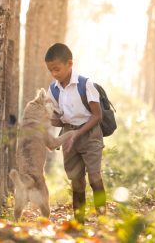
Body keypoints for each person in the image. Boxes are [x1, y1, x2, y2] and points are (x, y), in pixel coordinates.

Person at [45, 42, 106, 224]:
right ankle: (79, 222)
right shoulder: (53, 89)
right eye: (51, 71)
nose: (54, 74)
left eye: (57, 69)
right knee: (77, 182)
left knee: (95, 178)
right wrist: (45, 118)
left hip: (90, 134)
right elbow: (57, 118)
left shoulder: (85, 84)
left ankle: (103, 220)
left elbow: (97, 116)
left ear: (69, 63)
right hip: (68, 136)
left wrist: (77, 135)